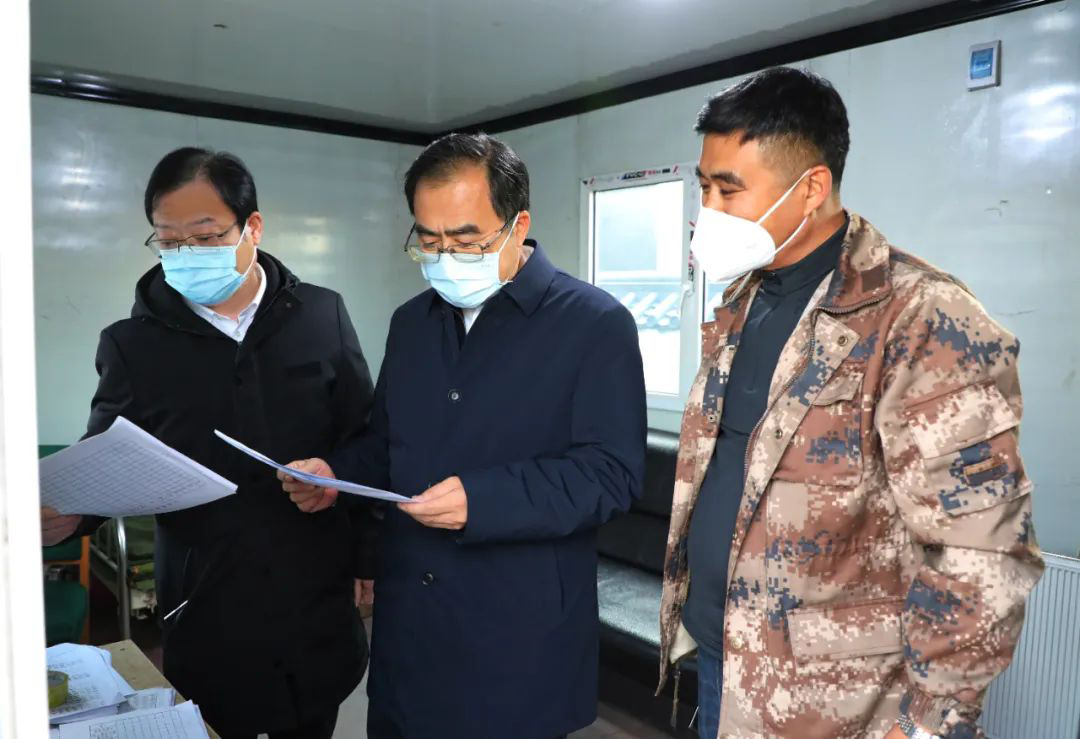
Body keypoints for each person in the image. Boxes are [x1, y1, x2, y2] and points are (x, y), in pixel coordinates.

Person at [657, 67, 1044, 739]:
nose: (707, 210)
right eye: (703, 187)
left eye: (728, 189)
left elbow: (981, 546)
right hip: (726, 663)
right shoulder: (743, 301)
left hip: (840, 705)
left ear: (810, 188)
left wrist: (926, 722)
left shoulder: (920, 316)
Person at [278, 132, 647, 739]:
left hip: (517, 636)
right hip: (410, 627)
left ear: (518, 225)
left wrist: (483, 500)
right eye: (429, 240)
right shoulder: (412, 323)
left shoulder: (593, 324)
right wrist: (336, 474)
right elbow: (386, 442)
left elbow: (610, 474)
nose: (446, 256)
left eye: (466, 239)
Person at [40, 147, 376, 739]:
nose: (186, 253)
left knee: (313, 713)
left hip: (314, 592)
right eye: (168, 240)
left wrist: (339, 489)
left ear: (252, 228)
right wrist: (70, 512)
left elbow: (363, 435)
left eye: (205, 235)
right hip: (207, 601)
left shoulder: (320, 314)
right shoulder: (133, 345)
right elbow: (107, 456)